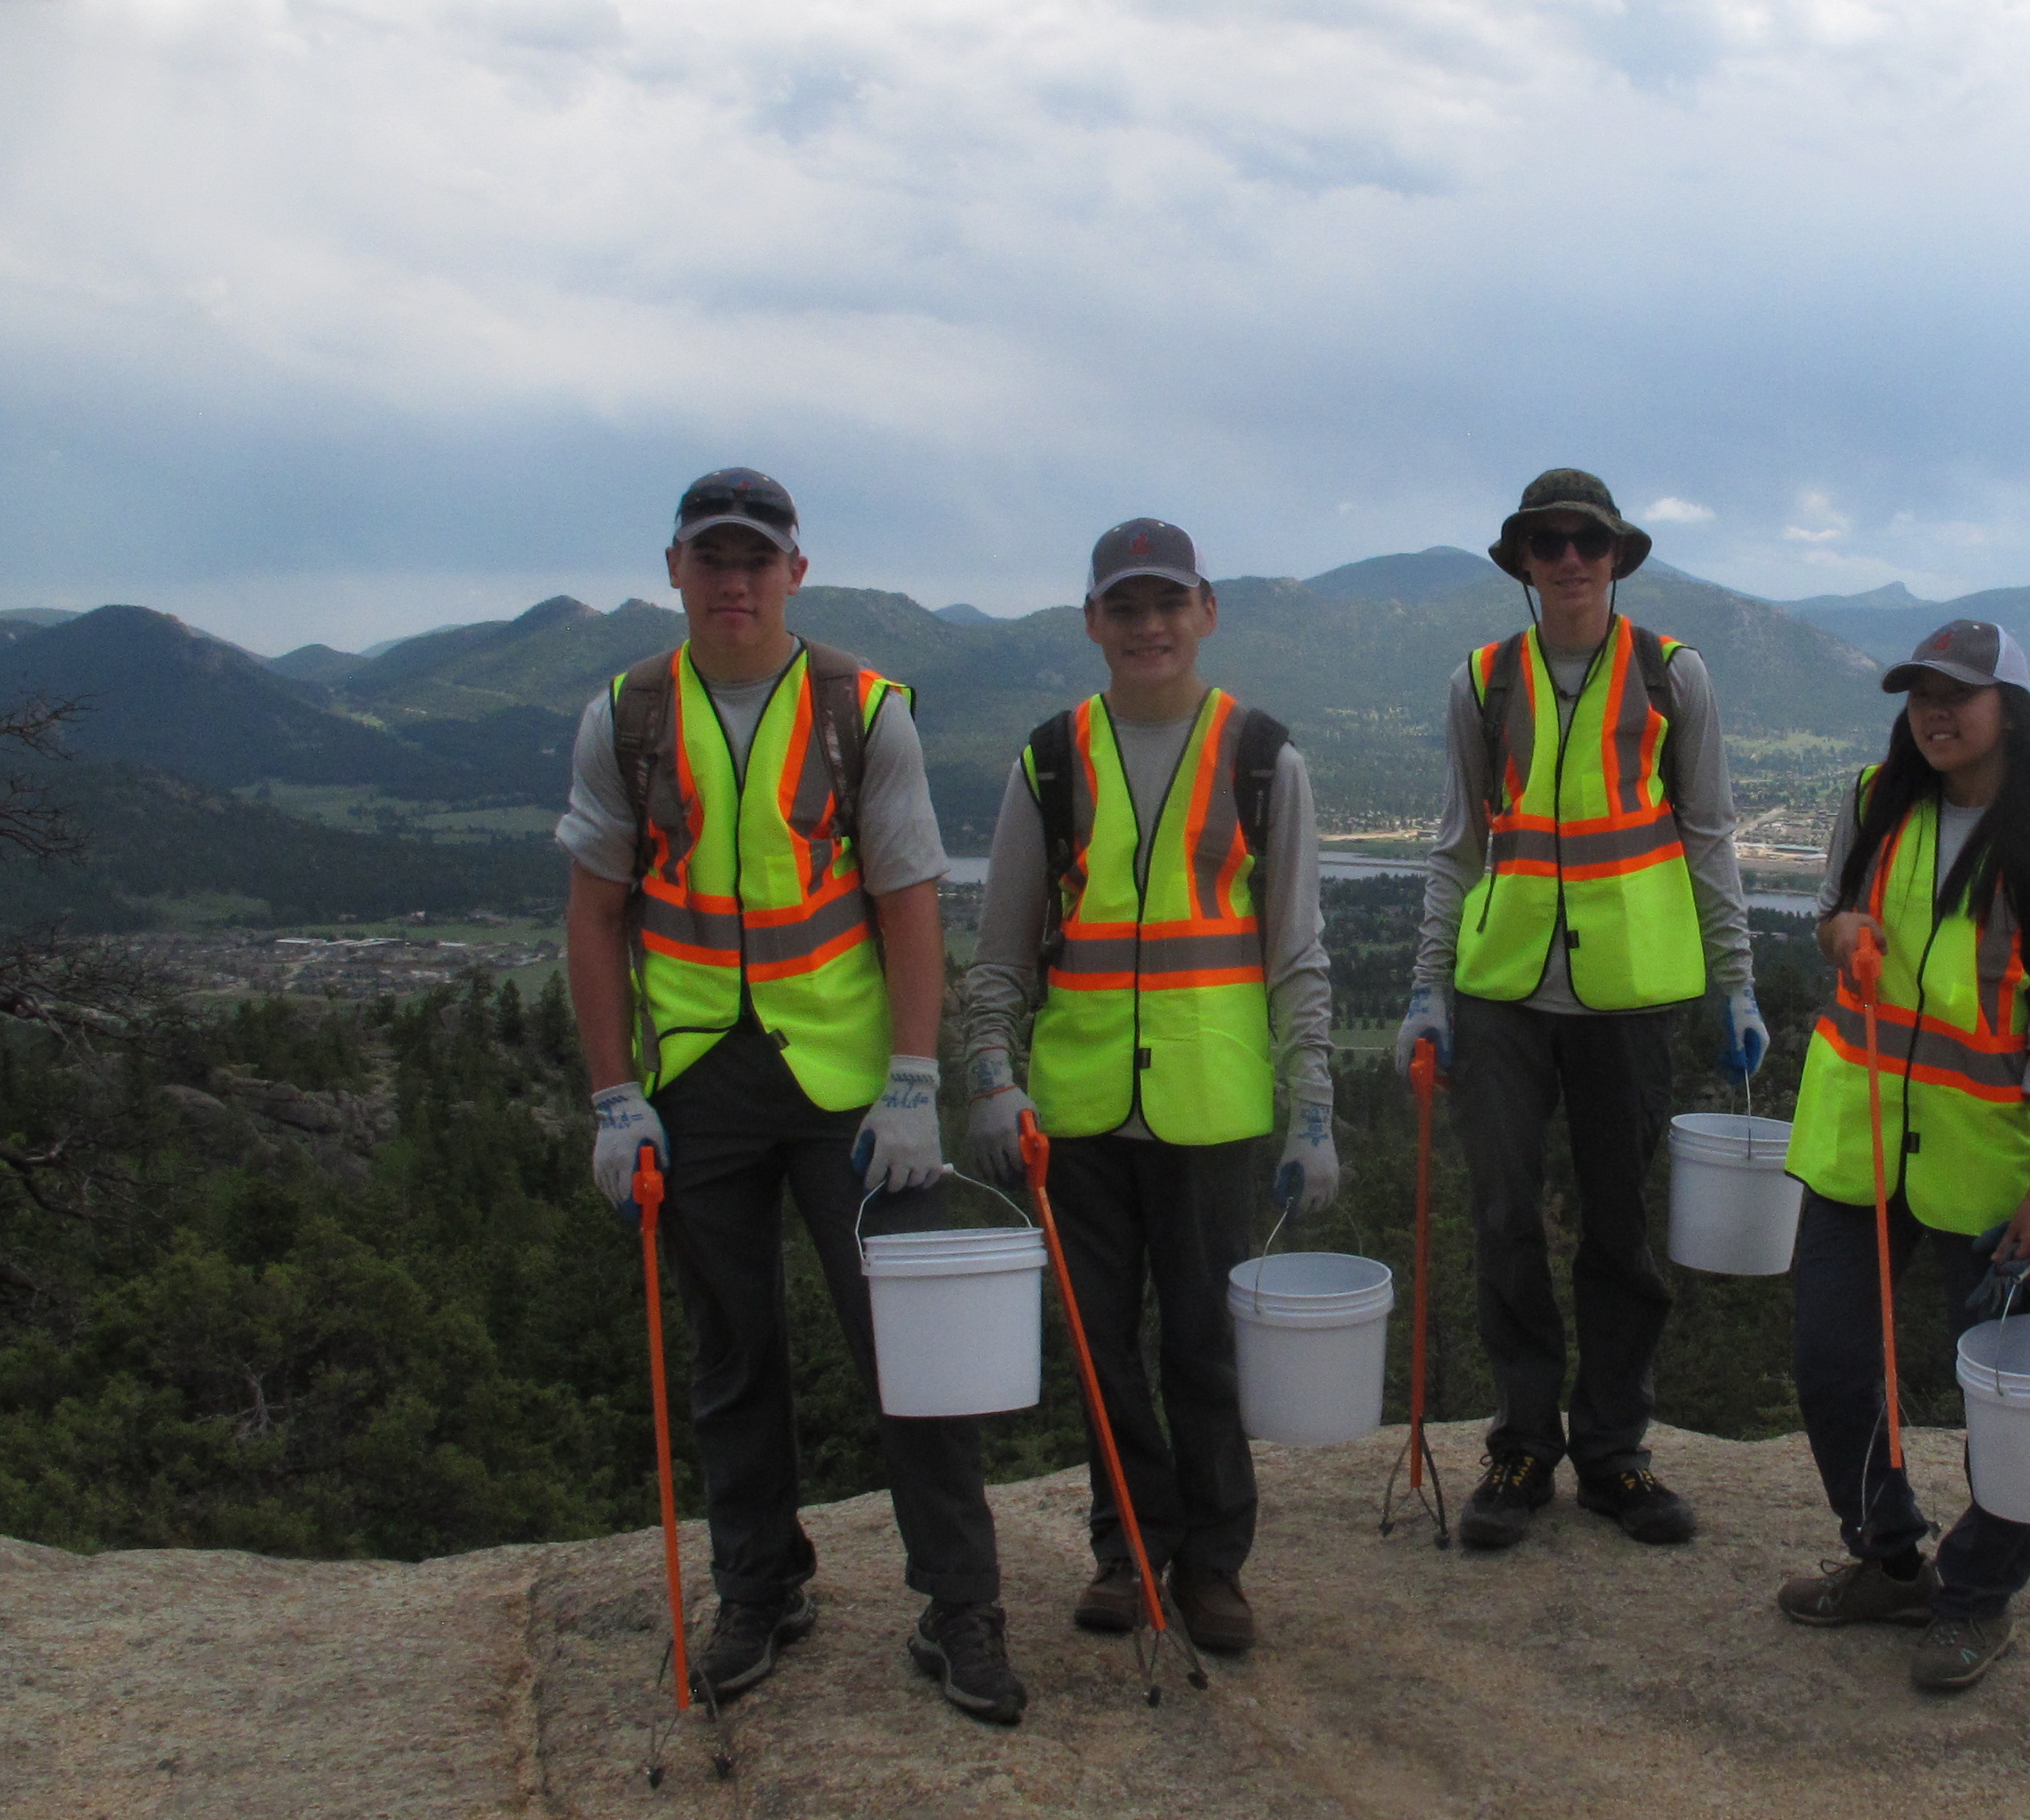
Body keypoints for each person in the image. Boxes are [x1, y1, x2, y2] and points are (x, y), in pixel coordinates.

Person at [560, 467, 1021, 1724]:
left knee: (909, 1349)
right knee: (732, 1354)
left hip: (853, 1088)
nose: (734, 580)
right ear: (674, 570)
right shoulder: (630, 716)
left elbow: (911, 899)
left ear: (795, 573)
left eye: (756, 558)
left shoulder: (862, 711)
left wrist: (915, 1079)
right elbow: (594, 917)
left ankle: (959, 1604)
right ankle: (760, 1586)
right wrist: (614, 1098)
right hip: (699, 1079)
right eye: (712, 558)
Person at [963, 518, 1337, 1657]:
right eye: (1124, 608)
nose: (1148, 626)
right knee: (1101, 1346)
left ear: (1205, 611)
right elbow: (1003, 950)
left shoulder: (1263, 757)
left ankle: (1214, 1563)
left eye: (1167, 604)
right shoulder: (1049, 759)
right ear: (1093, 623)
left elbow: (1296, 953)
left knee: (1203, 1346)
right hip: (1075, 1110)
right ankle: (1129, 1547)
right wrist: (991, 1074)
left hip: (1215, 1109)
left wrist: (1311, 1099)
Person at [1400, 467, 1767, 1550]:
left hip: (1628, 998)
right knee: (1505, 1217)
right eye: (1548, 542)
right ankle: (1521, 1444)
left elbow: (1710, 832)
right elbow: (1457, 846)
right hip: (1503, 991)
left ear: (1616, 557)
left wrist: (1737, 976)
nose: (1569, 559)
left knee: (1618, 1226)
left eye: (1588, 542)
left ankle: (1614, 1449)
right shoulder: (1484, 682)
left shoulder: (1671, 675)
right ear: (1522, 559)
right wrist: (1428, 987)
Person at [1771, 619, 2030, 1692]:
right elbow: (1830, 912)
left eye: (1960, 693)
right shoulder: (1875, 800)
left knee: (1998, 1400)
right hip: (1858, 1139)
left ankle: (1978, 1594)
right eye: (1921, 692)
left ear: (2010, 708)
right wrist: (1845, 937)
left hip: (1987, 1161)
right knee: (1830, 1359)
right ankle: (1887, 1555)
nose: (1936, 711)